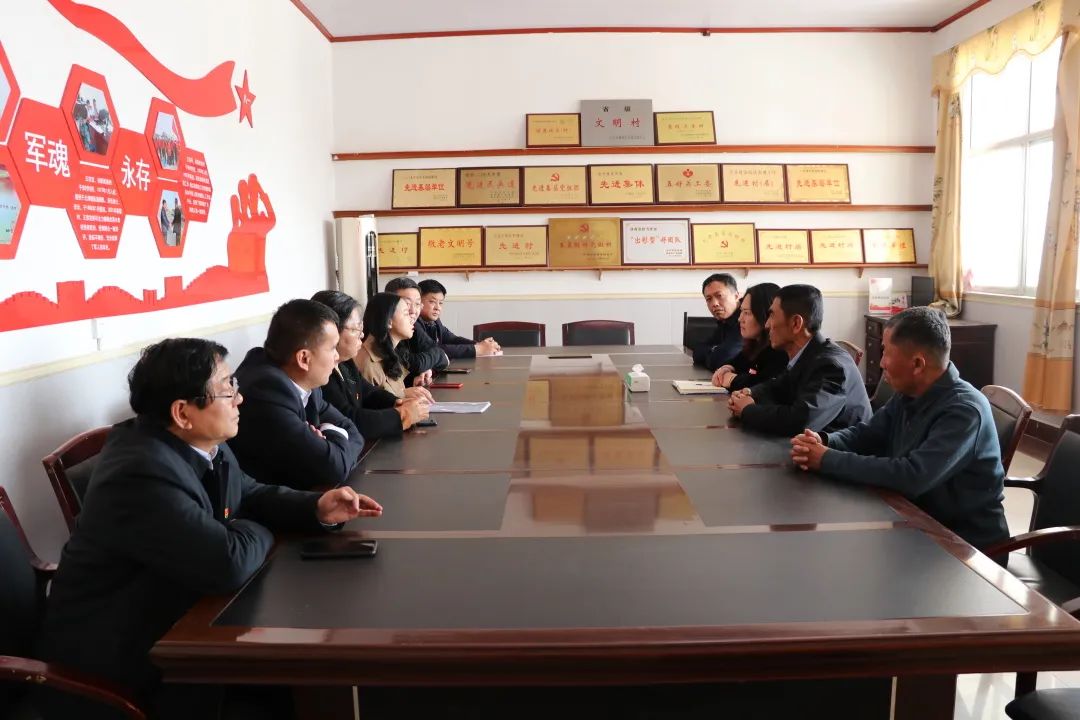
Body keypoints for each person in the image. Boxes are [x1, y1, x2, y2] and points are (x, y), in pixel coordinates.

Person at [34, 338, 382, 720]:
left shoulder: (202, 442)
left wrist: (315, 507)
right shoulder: (140, 473)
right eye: (227, 389)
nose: (239, 399)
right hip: (124, 662)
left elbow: (249, 492)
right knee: (289, 686)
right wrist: (252, 528)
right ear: (183, 412)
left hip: (180, 615)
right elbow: (227, 563)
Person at [790, 306, 1009, 553]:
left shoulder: (964, 411)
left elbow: (911, 476)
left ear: (917, 364)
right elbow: (867, 434)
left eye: (886, 352)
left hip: (962, 545)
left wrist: (826, 459)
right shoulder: (911, 392)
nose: (881, 362)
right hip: (912, 519)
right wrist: (823, 440)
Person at [229, 299, 364, 489]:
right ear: (304, 358)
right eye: (333, 348)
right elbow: (335, 467)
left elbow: (354, 433)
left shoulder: (304, 380)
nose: (336, 356)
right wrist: (334, 432)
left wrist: (330, 438)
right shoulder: (268, 391)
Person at [728, 284, 871, 436]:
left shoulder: (831, 366)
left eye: (772, 315)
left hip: (842, 448)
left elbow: (801, 421)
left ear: (796, 323)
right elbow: (779, 387)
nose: (767, 324)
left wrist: (747, 410)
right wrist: (749, 393)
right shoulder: (807, 353)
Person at [311, 289, 432, 438]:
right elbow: (348, 418)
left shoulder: (345, 363)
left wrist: (398, 402)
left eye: (361, 328)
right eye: (356, 329)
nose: (362, 334)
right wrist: (401, 415)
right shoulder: (321, 372)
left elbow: (369, 392)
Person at [710, 282, 788, 391]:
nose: (740, 319)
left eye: (747, 313)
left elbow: (764, 385)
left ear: (765, 315)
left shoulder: (779, 351)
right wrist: (727, 368)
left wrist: (732, 380)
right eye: (741, 311)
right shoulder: (754, 344)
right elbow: (737, 362)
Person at [385, 276, 448, 385]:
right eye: (407, 304)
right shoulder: (380, 338)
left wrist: (427, 369)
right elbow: (415, 364)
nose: (413, 311)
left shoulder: (412, 327)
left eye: (417, 304)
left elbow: (442, 356)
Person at [416, 279, 500, 359]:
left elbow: (452, 339)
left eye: (441, 303)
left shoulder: (435, 321)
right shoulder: (414, 323)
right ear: (418, 301)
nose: (438, 308)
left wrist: (480, 345)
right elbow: (434, 349)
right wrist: (477, 349)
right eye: (432, 302)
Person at [355, 292, 414, 398]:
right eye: (406, 314)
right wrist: (403, 395)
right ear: (388, 321)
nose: (412, 319)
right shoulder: (368, 363)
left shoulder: (390, 352)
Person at [692, 273, 743, 371]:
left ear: (736, 296)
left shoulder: (745, 319)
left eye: (719, 296)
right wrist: (715, 350)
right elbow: (697, 352)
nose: (714, 303)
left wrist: (714, 350)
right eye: (709, 299)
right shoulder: (725, 320)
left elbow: (720, 360)